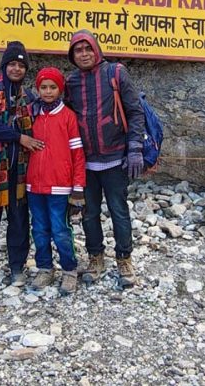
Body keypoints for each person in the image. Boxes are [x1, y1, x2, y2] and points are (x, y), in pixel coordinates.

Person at [65, 30, 145, 288]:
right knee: (88, 213)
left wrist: (134, 148)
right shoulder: (72, 82)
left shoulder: (116, 73)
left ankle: (124, 258)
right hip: (85, 162)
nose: (84, 54)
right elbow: (63, 116)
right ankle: (95, 257)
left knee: (119, 211)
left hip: (115, 159)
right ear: (72, 55)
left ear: (97, 50)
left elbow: (135, 111)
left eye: (88, 48)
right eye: (78, 50)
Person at [0, 41, 44, 287]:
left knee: (19, 218)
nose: (16, 69)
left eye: (21, 65)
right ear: (4, 67)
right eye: (12, 64)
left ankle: (17, 267)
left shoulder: (29, 97)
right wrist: (19, 137)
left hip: (20, 170)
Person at [26, 67, 86, 295]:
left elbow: (77, 154)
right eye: (43, 87)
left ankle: (69, 270)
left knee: (60, 229)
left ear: (60, 89)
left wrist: (78, 186)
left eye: (53, 87)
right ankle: (44, 267)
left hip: (60, 185)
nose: (48, 92)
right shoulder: (32, 114)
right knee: (39, 228)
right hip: (34, 184)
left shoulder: (68, 116)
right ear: (38, 89)